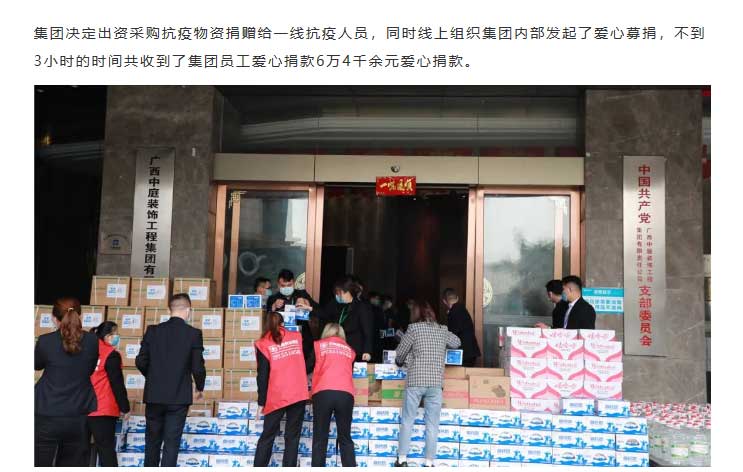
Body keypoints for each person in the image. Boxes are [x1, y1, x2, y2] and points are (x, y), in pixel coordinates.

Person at [135, 293, 206, 467]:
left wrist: (153, 377)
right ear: (188, 310)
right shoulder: (193, 334)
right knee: (171, 443)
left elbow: (140, 361)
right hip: (178, 397)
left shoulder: (152, 331)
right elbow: (198, 366)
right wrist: (199, 387)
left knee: (152, 442)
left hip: (154, 395)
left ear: (170, 310)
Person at [394, 300, 461, 468]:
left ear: (416, 314)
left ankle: (402, 459)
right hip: (435, 383)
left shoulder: (413, 329)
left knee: (408, 420)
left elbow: (400, 353)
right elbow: (457, 342)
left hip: (416, 380)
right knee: (432, 424)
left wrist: (400, 361)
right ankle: (429, 462)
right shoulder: (442, 330)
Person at [35, 297, 99, 467]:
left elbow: (36, 365)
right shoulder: (92, 341)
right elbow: (90, 369)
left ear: (54, 318)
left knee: (40, 462)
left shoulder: (45, 340)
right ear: (80, 316)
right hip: (78, 412)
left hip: (47, 411)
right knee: (73, 463)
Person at [254, 312, 312, 467]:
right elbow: (311, 355)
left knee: (267, 436)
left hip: (276, 395)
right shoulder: (296, 337)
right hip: (298, 392)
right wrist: (303, 371)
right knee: (292, 437)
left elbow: (262, 376)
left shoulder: (263, 344)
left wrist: (261, 403)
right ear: (283, 323)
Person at [310, 323, 356, 467]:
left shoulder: (318, 345)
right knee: (345, 438)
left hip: (324, 392)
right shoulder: (350, 350)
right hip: (345, 394)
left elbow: (308, 367)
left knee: (320, 438)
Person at [89, 321, 131, 467]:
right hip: (103, 408)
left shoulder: (86, 350)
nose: (117, 337)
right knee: (106, 450)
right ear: (107, 336)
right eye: (115, 334)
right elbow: (117, 383)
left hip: (83, 406)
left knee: (81, 450)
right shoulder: (111, 355)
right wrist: (125, 407)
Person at [314, 276, 374, 362]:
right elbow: (324, 313)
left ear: (347, 292)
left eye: (339, 293)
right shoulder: (337, 304)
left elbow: (367, 331)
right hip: (339, 348)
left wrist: (367, 351)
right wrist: (310, 309)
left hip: (355, 350)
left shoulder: (361, 307)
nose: (337, 296)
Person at [266, 268, 319, 359]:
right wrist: (273, 307)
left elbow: (318, 310)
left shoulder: (302, 294)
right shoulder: (273, 298)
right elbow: (267, 319)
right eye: (283, 285)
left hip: (302, 339)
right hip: (281, 340)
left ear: (293, 283)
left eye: (289, 285)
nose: (286, 288)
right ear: (278, 285)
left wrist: (306, 303)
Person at [441, 288, 481, 367]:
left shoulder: (453, 312)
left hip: (464, 353)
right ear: (457, 298)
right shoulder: (463, 309)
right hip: (471, 351)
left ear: (444, 301)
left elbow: (453, 335)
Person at [368, 291, 386, 363]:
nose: (378, 300)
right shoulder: (371, 309)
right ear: (371, 298)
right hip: (375, 336)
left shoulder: (377, 309)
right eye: (376, 298)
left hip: (375, 336)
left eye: (378, 299)